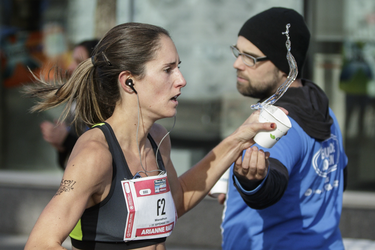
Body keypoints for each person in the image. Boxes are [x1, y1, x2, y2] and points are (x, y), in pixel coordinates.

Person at [24, 22, 277, 250]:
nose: (182, 80)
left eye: (178, 67)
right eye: (168, 70)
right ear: (129, 82)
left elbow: (178, 200)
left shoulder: (156, 138)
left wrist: (239, 139)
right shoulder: (95, 154)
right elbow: (40, 244)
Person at [220, 7, 348, 250]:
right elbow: (337, 176)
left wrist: (252, 182)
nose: (237, 63)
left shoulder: (278, 122)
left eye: (251, 58)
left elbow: (271, 181)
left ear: (284, 67)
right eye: (238, 52)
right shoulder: (322, 110)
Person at [40, 39, 99, 169]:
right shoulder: (77, 101)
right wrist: (61, 145)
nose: (70, 67)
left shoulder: (104, 108)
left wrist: (66, 140)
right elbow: (68, 165)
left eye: (78, 62)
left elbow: (101, 155)